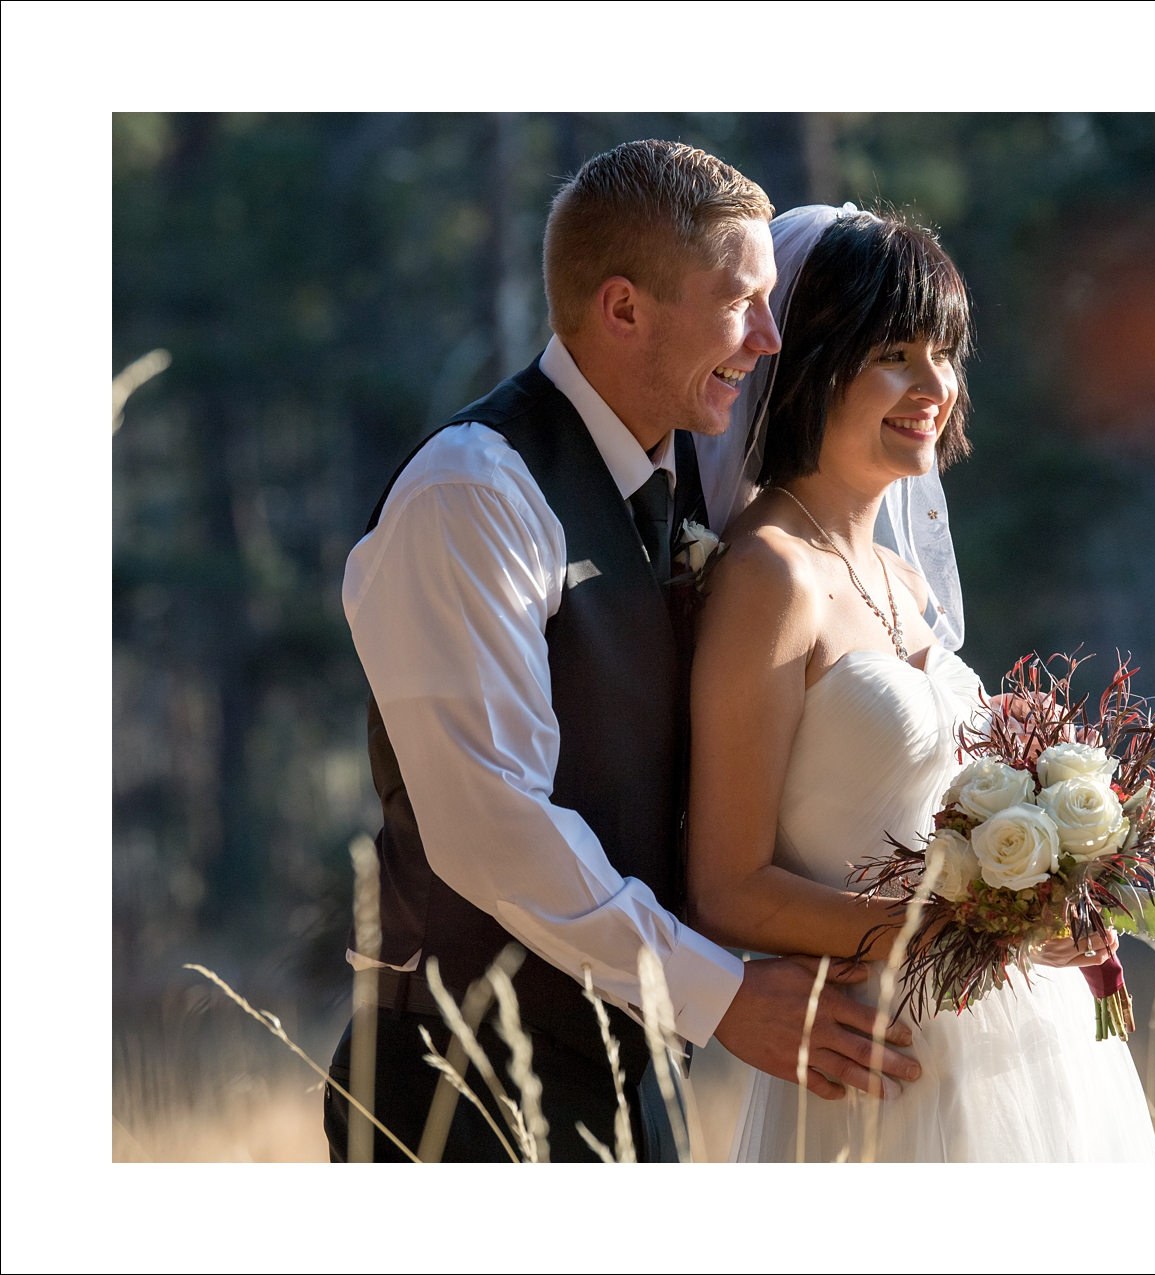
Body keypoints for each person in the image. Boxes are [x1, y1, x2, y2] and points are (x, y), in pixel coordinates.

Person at [327, 144, 920, 1162]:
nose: (769, 341)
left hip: (638, 1075)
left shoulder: (701, 475)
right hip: (458, 1088)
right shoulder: (474, 493)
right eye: (743, 304)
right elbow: (492, 825)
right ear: (625, 309)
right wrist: (721, 993)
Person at [686, 206, 1155, 1161]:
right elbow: (726, 887)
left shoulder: (905, 581)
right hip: (882, 1059)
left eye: (946, 350)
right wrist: (961, 932)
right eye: (895, 351)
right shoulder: (770, 575)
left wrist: (1044, 898)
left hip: (1031, 1049)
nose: (935, 384)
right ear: (812, 360)